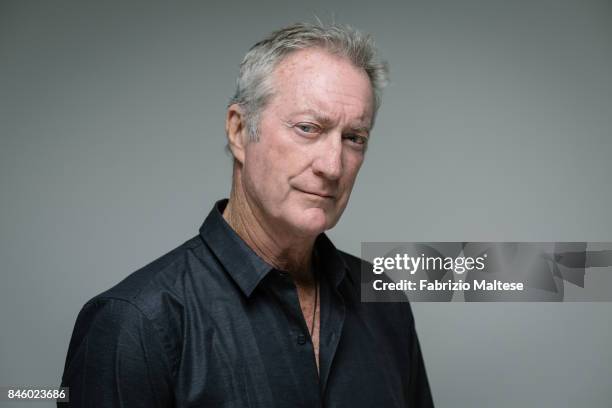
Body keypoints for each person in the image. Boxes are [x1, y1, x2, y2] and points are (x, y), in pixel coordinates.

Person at [59, 21, 434, 407]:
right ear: (239, 131)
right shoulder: (133, 322)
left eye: (354, 138)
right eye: (307, 128)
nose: (333, 165)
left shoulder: (384, 302)